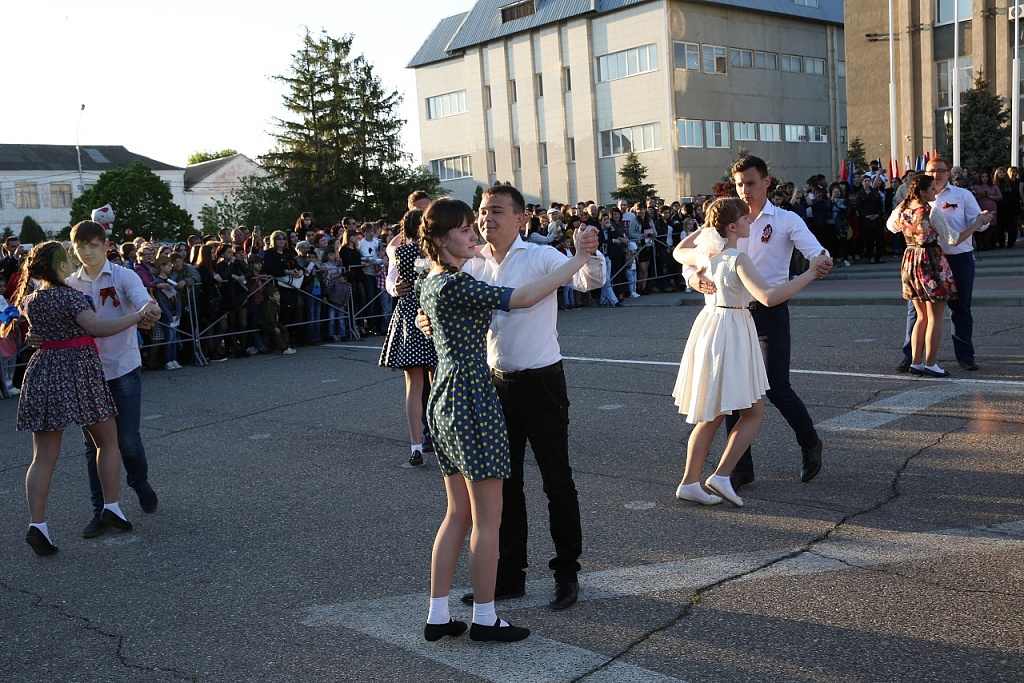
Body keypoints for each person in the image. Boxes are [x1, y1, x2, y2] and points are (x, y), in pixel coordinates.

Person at [413, 186, 605, 612]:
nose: (486, 219)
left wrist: (586, 254)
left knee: (557, 482)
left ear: (520, 219)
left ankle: (566, 573)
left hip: (542, 383)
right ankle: (509, 575)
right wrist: (431, 322)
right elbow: (442, 310)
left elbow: (589, 281)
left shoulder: (540, 255)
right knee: (505, 486)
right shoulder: (471, 262)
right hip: (493, 386)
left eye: (496, 211)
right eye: (481, 212)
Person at [686, 156, 832, 490]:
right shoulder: (727, 218)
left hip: (769, 312)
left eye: (750, 183)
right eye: (739, 184)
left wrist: (821, 261)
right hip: (732, 315)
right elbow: (691, 255)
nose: (744, 190)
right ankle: (740, 468)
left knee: (777, 387)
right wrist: (693, 278)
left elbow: (815, 251)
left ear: (767, 182)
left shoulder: (785, 220)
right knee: (732, 393)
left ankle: (810, 443)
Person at [10, 241, 151, 555]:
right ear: (62, 266)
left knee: (43, 456)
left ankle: (37, 525)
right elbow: (97, 328)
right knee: (107, 441)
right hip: (79, 370)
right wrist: (136, 316)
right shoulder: (71, 296)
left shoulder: (31, 299)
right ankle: (111, 506)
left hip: (44, 371)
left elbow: (37, 334)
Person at [65, 221, 162, 538]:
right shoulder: (69, 283)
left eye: (92, 245)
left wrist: (150, 308)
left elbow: (142, 299)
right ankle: (101, 511)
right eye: (80, 247)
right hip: (87, 374)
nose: (86, 252)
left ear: (106, 245)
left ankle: (139, 482)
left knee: (127, 440)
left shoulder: (123, 275)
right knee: (92, 446)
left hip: (123, 367)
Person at [888, 157, 993, 372]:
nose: (936, 175)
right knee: (920, 314)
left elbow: (979, 224)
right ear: (924, 178)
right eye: (931, 171)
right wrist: (916, 229)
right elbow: (891, 224)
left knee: (960, 308)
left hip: (955, 258)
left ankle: (963, 356)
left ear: (948, 173)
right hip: (930, 261)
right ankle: (915, 358)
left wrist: (981, 221)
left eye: (940, 170)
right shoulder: (917, 204)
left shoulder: (962, 195)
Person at [379, 209, 437, 467]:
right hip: (430, 311)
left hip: (406, 315)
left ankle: (416, 446)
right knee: (437, 383)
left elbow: (393, 275)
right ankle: (440, 438)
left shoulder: (399, 251)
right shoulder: (434, 251)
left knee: (414, 386)